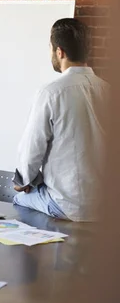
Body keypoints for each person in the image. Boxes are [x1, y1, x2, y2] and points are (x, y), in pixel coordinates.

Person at [13, 18, 110, 221]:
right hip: (105, 207)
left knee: (18, 198)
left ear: (59, 52)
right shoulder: (108, 90)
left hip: (67, 206)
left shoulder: (51, 93)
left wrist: (24, 180)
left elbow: (33, 149)